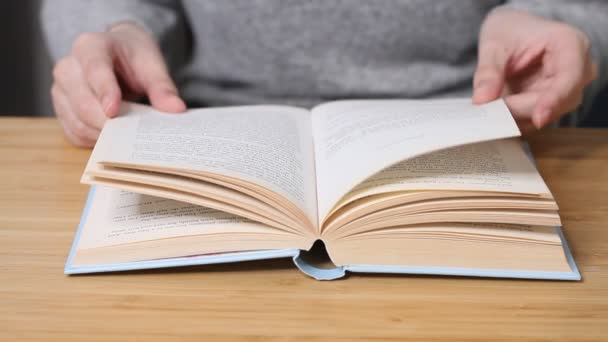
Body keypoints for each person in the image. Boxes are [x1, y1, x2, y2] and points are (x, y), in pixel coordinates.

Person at [41, 1, 607, 147]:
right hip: (201, 126)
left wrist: (555, 26)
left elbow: (582, 11)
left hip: (477, 124)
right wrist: (105, 33)